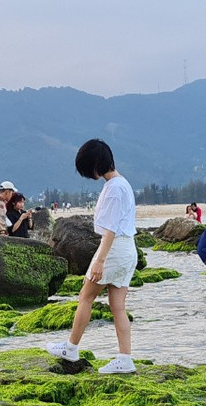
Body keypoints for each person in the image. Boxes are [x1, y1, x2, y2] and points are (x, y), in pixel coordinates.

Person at [44, 139, 138, 375]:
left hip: (115, 249)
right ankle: (125, 358)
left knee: (85, 296)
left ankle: (71, 348)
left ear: (95, 164)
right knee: (117, 306)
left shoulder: (115, 188)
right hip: (127, 249)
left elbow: (111, 229)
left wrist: (99, 260)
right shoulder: (121, 183)